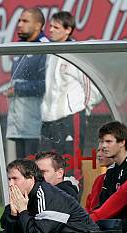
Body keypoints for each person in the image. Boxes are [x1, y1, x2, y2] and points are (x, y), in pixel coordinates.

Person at [40, 11, 101, 160]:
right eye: (50, 26)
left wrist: (83, 111)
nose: (51, 30)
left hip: (71, 116)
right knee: (46, 165)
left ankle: (74, 184)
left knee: (71, 164)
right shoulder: (49, 53)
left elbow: (92, 87)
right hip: (49, 119)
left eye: (56, 27)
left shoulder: (77, 54)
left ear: (68, 30)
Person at [5, 8, 49, 160]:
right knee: (20, 168)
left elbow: (47, 85)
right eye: (19, 20)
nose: (19, 24)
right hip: (18, 122)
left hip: (36, 123)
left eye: (25, 21)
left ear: (38, 25)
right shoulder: (20, 47)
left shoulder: (45, 48)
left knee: (33, 168)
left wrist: (17, 89)